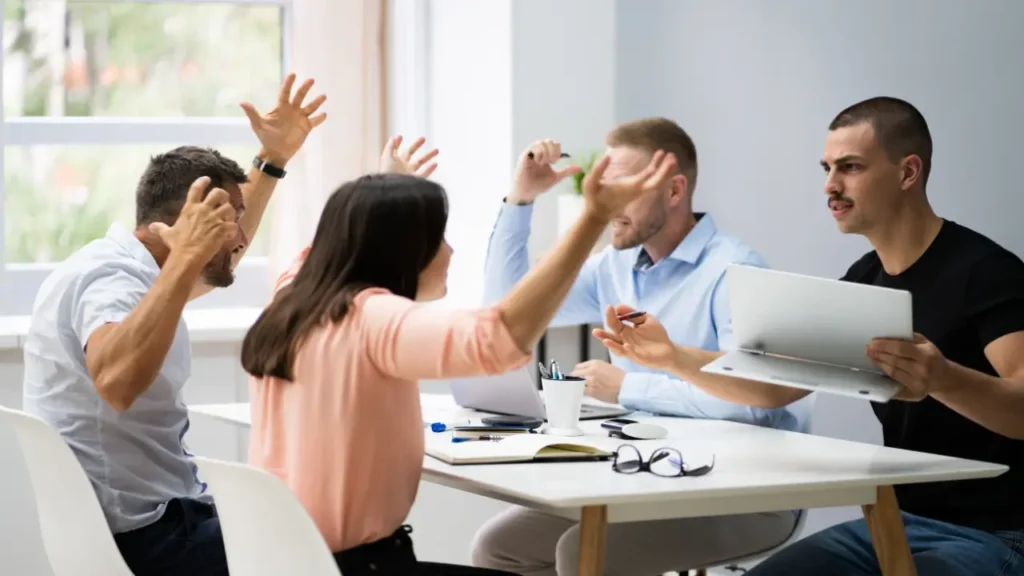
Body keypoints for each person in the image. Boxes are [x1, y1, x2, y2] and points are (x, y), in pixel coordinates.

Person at [595, 97, 1024, 576]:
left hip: (996, 533)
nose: (830, 186)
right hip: (894, 520)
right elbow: (773, 385)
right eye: (827, 168)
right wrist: (673, 357)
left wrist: (943, 378)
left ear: (908, 173)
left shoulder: (987, 272)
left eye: (850, 167)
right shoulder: (863, 282)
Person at [239, 136, 677, 576]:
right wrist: (593, 217)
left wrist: (390, 189)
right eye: (440, 237)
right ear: (404, 249)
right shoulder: (373, 320)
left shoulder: (291, 299)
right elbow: (498, 336)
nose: (450, 251)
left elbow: (336, 240)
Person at [471, 120, 811, 576]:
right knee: (499, 548)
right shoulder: (616, 265)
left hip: (746, 489)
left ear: (674, 191)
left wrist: (630, 389)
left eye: (623, 189)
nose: (607, 205)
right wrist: (521, 198)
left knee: (581, 554)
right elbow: (506, 308)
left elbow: (755, 405)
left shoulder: (734, 270)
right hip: (642, 474)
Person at [21, 73, 326, 576]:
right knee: (331, 541)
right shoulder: (111, 278)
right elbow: (116, 383)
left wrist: (272, 162)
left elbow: (216, 252)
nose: (239, 242)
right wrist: (188, 255)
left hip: (148, 528)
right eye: (227, 225)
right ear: (190, 222)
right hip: (152, 543)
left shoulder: (140, 270)